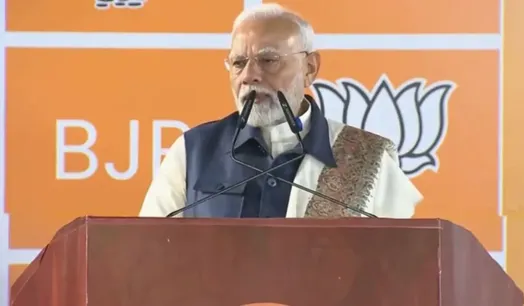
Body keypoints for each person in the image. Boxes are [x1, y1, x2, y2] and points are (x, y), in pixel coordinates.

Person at [139, 3, 423, 218]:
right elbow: (148, 256)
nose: (249, 76)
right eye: (238, 63)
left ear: (309, 68)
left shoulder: (366, 156)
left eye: (268, 60)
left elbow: (397, 269)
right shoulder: (193, 151)